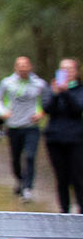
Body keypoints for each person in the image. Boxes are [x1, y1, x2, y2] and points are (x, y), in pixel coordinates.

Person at [0, 55, 50, 202]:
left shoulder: (39, 83)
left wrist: (42, 112)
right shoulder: (7, 83)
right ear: (15, 67)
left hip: (31, 126)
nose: (23, 67)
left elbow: (49, 100)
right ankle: (20, 180)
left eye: (25, 65)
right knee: (16, 159)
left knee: (30, 156)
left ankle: (27, 188)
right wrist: (3, 112)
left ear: (30, 66)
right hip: (13, 126)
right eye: (20, 65)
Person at [43, 57, 82, 213]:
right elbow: (47, 109)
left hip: (75, 139)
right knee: (61, 178)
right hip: (55, 139)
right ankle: (64, 212)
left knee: (78, 177)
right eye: (63, 69)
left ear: (76, 72)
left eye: (70, 69)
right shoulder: (51, 90)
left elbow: (77, 109)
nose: (66, 72)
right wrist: (55, 94)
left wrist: (65, 93)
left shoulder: (79, 90)